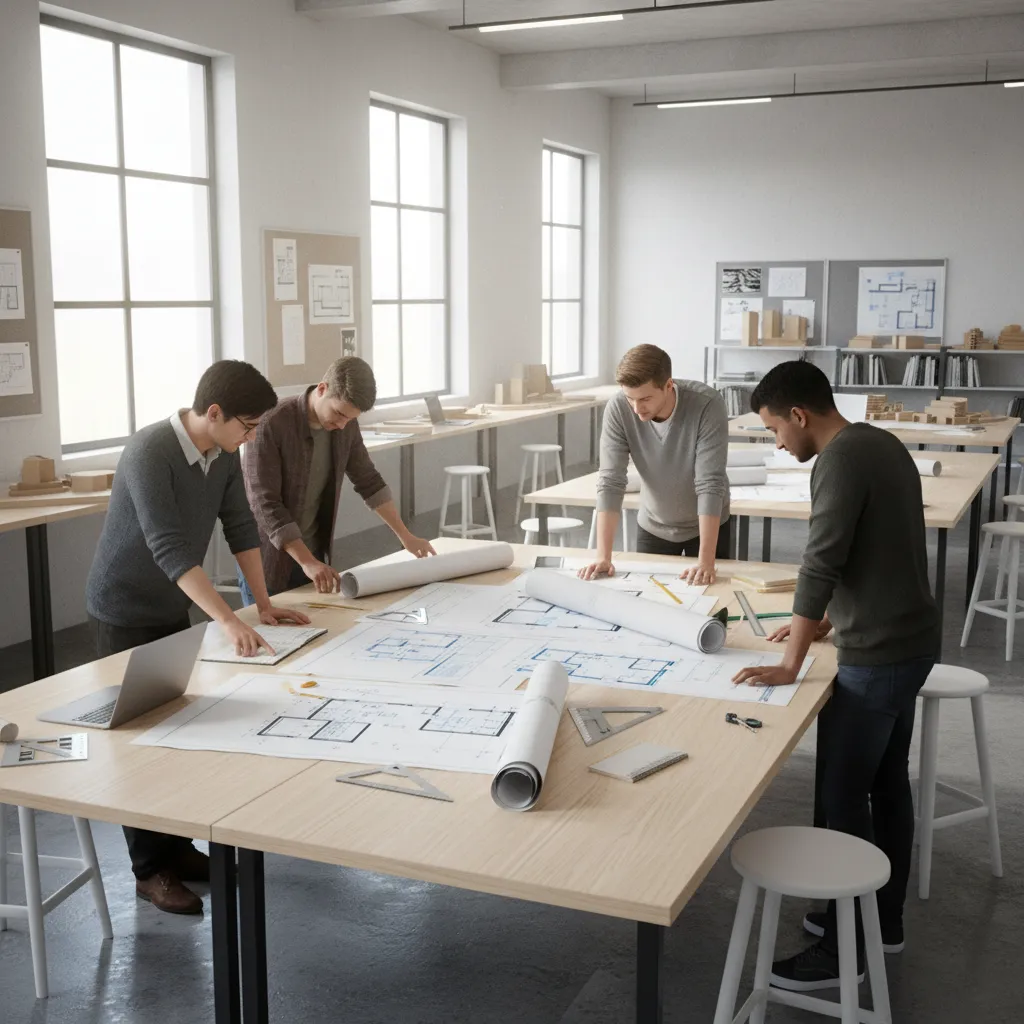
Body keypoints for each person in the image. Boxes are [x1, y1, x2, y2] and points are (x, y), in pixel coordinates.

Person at [733, 361, 940, 991]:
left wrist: (791, 661)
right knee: (886, 786)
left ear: (799, 415)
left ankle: (847, 951)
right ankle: (883, 921)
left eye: (774, 429)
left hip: (877, 656)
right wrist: (823, 627)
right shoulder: (879, 442)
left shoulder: (839, 460)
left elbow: (820, 562)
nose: (776, 443)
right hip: (907, 638)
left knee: (842, 797)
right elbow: (877, 551)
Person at [86, 360, 310, 915]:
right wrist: (226, 620)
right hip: (122, 607)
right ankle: (149, 872)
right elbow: (169, 548)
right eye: (249, 425)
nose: (253, 436)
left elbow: (240, 528)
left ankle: (178, 850)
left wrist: (259, 604)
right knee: (136, 741)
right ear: (214, 413)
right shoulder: (148, 452)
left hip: (170, 604)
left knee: (174, 730)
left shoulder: (224, 455)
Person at [240, 356, 434, 600]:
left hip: (315, 560)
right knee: (268, 634)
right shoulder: (271, 422)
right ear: (322, 389)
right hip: (267, 562)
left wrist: (406, 536)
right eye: (339, 414)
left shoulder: (346, 426)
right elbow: (264, 504)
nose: (342, 425)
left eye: (350, 419)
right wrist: (307, 561)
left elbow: (369, 481)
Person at [580, 344, 730, 583]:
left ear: (669, 385)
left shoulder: (707, 405)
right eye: (630, 398)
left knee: (708, 598)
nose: (637, 408)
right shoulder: (619, 408)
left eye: (645, 399)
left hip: (708, 526)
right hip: (654, 522)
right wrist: (603, 556)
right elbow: (611, 481)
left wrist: (705, 562)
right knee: (650, 599)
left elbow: (710, 483)